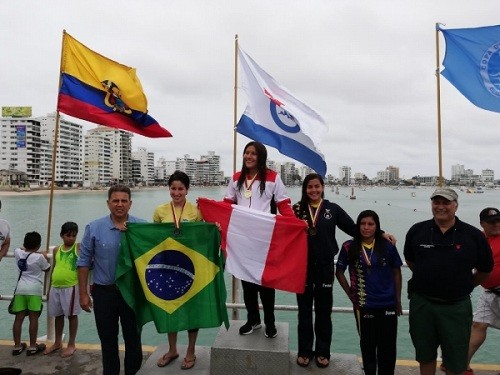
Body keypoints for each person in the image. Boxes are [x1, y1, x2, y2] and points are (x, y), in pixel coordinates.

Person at [404, 187, 493, 375]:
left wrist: (466, 284)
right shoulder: (417, 231)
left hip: (456, 306)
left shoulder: (472, 235)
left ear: (456, 206)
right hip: (423, 304)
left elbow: (485, 269)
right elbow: (411, 261)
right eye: (436, 202)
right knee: (425, 354)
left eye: (446, 203)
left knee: (456, 359)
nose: (441, 207)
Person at [224, 141, 294, 339]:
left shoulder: (273, 177)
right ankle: (253, 319)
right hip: (242, 241)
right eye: (246, 152)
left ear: (260, 156)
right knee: (247, 285)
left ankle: (270, 322)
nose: (249, 156)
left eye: (253, 153)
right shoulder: (236, 178)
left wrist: (294, 225)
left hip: (264, 240)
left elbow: (284, 204)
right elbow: (227, 204)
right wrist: (210, 210)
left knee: (266, 284)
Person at [77, 185, 145, 375]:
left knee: (133, 339)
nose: (120, 204)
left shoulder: (141, 227)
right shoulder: (94, 228)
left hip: (131, 293)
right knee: (107, 341)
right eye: (115, 200)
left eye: (124, 201)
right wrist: (83, 294)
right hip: (104, 293)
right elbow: (83, 262)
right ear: (108, 203)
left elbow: (155, 254)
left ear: (130, 204)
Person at [336, 210, 403, 375]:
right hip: (364, 306)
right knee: (368, 347)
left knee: (387, 348)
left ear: (376, 226)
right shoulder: (348, 246)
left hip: (388, 304)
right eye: (362, 224)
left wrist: (398, 300)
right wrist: (352, 295)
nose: (366, 228)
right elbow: (339, 272)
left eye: (370, 224)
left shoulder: (387, 245)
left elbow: (397, 272)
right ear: (358, 226)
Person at [153, 171, 202, 370]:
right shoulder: (160, 211)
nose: (176, 192)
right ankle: (172, 349)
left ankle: (191, 351)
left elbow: (202, 235)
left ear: (187, 190)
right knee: (170, 309)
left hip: (191, 267)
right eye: (173, 188)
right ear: (169, 189)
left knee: (191, 309)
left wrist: (214, 228)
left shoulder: (196, 211)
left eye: (180, 188)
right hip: (167, 267)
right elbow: (152, 238)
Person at [463, 207, 500, 374]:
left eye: (499, 221)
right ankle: (462, 366)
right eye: (492, 222)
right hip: (488, 292)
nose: (497, 224)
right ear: (482, 224)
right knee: (478, 325)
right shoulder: (478, 238)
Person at [44, 222, 80, 358]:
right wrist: (48, 288)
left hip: (70, 287)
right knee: (57, 315)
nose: (71, 238)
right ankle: (57, 342)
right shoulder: (56, 249)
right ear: (62, 235)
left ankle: (71, 344)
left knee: (71, 316)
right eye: (68, 235)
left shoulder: (78, 248)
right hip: (55, 287)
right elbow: (53, 268)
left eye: (73, 236)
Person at [11, 231, 50, 356]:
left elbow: (18, 248)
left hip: (20, 290)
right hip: (34, 291)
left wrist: (28, 249)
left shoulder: (18, 253)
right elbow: (47, 268)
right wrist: (40, 253)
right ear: (38, 246)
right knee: (33, 318)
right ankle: (32, 346)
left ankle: (17, 346)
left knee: (18, 318)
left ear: (24, 243)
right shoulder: (39, 257)